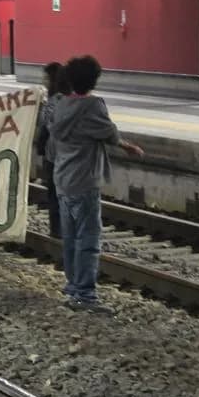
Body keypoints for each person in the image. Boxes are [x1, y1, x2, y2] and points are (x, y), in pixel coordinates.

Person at [49, 55, 144, 314]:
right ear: (93, 81)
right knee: (88, 239)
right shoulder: (92, 107)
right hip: (84, 182)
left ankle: (72, 285)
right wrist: (128, 147)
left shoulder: (59, 105)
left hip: (63, 180)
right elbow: (109, 133)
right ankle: (85, 295)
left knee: (70, 237)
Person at [35, 62, 71, 238]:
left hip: (53, 155)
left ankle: (57, 230)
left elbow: (45, 125)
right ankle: (66, 229)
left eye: (46, 78)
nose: (44, 81)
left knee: (55, 194)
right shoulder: (71, 99)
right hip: (69, 156)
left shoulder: (54, 101)